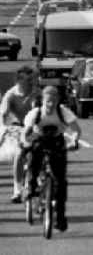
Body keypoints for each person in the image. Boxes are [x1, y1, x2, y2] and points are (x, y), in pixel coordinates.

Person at [22, 86, 81, 232]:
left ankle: (60, 217)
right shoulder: (36, 113)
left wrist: (74, 141)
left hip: (56, 142)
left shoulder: (63, 112)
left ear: (58, 101)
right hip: (39, 140)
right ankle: (31, 186)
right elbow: (26, 132)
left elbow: (76, 130)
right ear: (43, 100)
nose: (51, 104)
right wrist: (25, 142)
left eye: (54, 101)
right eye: (48, 101)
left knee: (60, 182)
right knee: (34, 158)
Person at [0, 66, 41, 203]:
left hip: (34, 128)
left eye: (32, 79)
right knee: (19, 154)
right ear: (18, 81)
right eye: (27, 79)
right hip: (17, 128)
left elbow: (40, 108)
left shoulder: (36, 92)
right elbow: (4, 112)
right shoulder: (11, 94)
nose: (31, 82)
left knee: (41, 153)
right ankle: (17, 190)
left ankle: (40, 181)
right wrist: (4, 121)